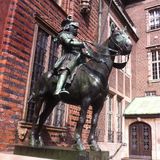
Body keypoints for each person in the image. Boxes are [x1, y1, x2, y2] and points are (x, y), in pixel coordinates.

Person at [54, 16, 93, 96]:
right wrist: (81, 44)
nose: (76, 30)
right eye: (74, 27)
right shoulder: (63, 35)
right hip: (69, 57)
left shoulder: (76, 39)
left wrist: (89, 54)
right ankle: (58, 89)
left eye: (77, 28)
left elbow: (82, 51)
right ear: (69, 27)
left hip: (79, 58)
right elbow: (68, 42)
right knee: (66, 70)